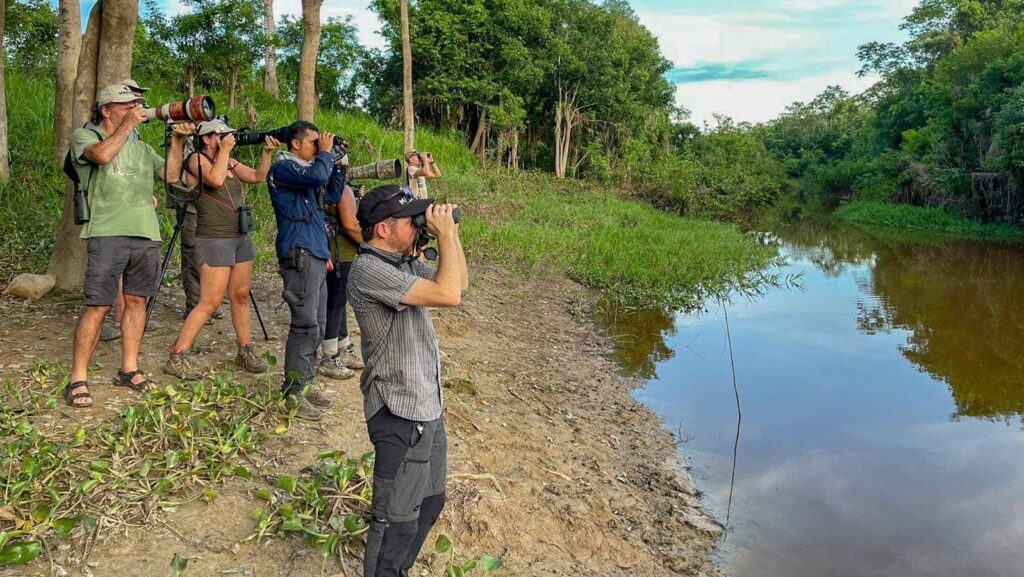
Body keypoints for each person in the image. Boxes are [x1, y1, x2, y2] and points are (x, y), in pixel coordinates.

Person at [347, 185, 469, 577]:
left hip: (426, 407)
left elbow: (459, 284)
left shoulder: (402, 265)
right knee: (394, 521)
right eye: (410, 221)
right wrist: (445, 235)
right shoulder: (369, 270)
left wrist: (452, 234)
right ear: (383, 229)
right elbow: (449, 295)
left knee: (430, 504)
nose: (418, 228)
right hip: (398, 413)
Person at [65, 83, 189, 407]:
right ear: (106, 110)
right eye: (126, 105)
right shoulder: (85, 138)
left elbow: (173, 176)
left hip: (146, 233)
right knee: (98, 305)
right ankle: (78, 377)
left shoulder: (143, 150)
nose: (135, 109)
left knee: (137, 303)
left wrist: (178, 140)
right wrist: (129, 125)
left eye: (138, 104)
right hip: (107, 231)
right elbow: (104, 156)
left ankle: (128, 368)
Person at [163, 120, 278, 380]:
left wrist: (266, 154)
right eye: (222, 135)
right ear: (207, 138)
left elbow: (258, 177)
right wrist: (225, 151)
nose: (228, 138)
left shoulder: (230, 162)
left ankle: (245, 349)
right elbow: (214, 179)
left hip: (239, 236)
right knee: (210, 301)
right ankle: (178, 354)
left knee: (240, 295)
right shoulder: (196, 160)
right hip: (213, 238)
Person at [266, 120, 345, 420]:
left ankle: (306, 384)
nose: (319, 147)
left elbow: (333, 197)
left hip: (316, 254)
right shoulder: (283, 168)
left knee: (319, 324)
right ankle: (294, 393)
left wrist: (338, 162)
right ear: (296, 144)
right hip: (299, 254)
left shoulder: (311, 173)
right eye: (314, 142)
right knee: (305, 326)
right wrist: (325, 157)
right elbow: (316, 177)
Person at [319, 174, 365, 379]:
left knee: (339, 301)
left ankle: (343, 344)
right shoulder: (339, 189)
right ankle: (329, 356)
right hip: (340, 252)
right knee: (336, 302)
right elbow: (351, 225)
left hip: (330, 250)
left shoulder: (321, 185)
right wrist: (369, 245)